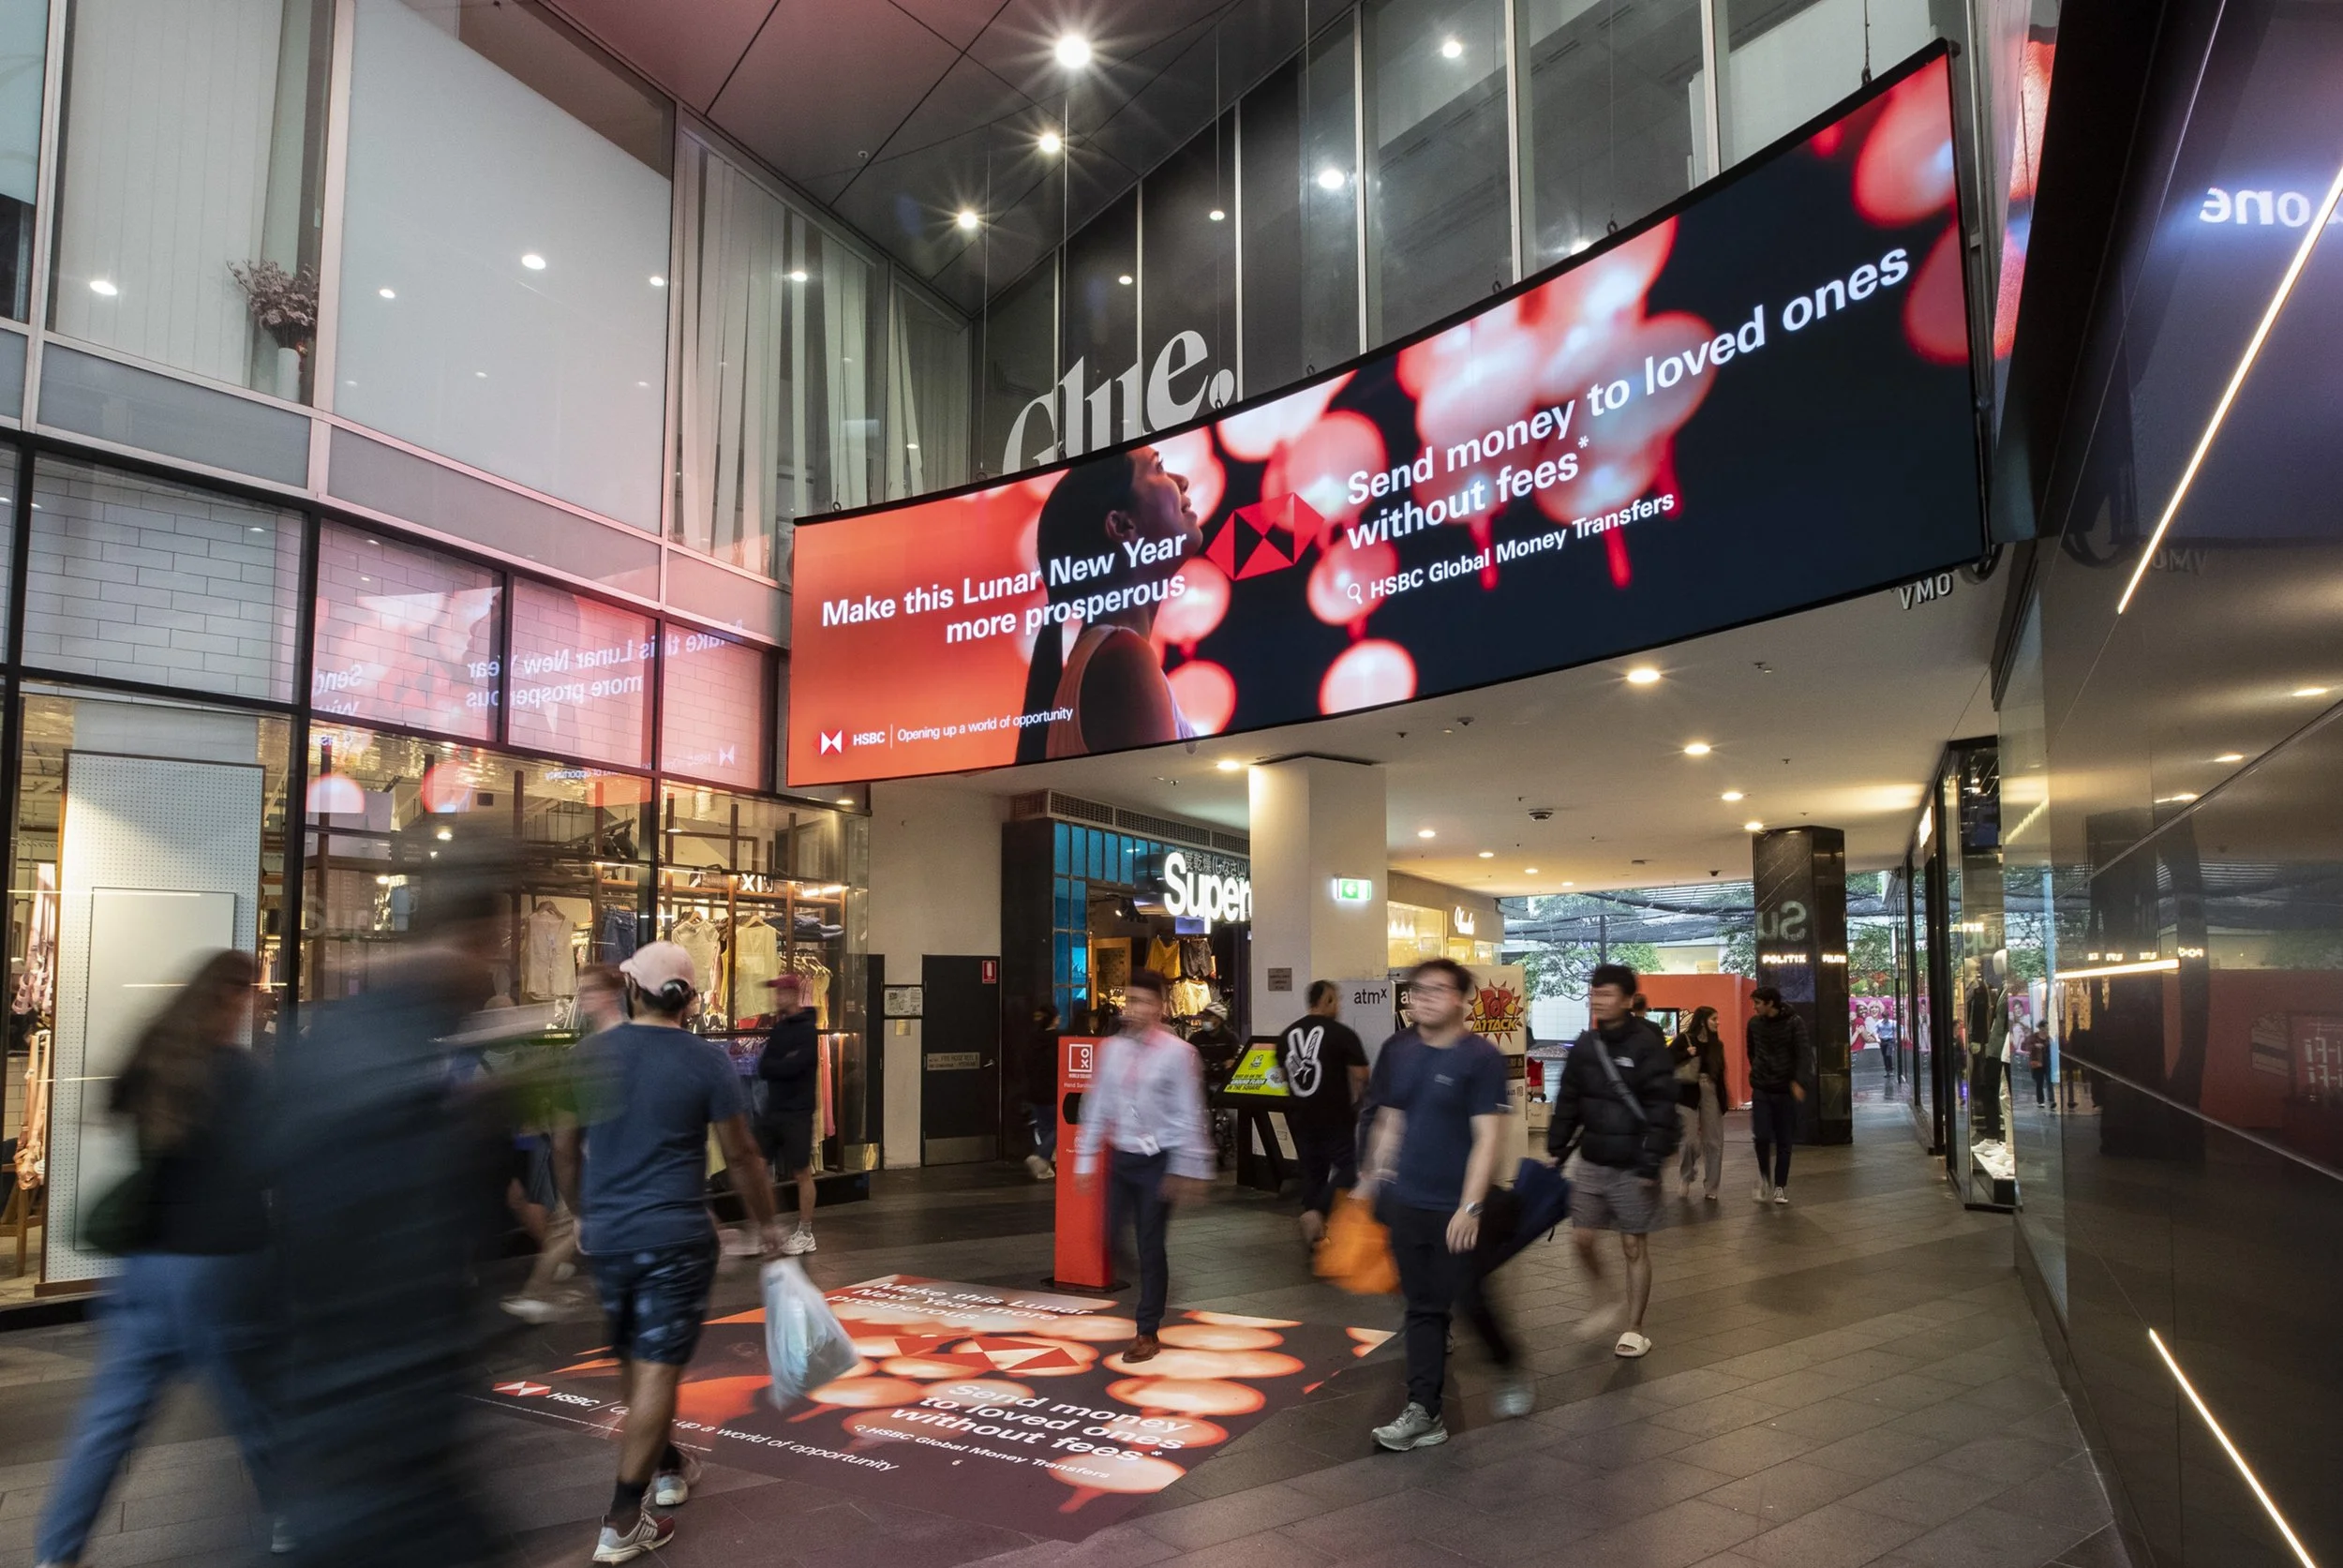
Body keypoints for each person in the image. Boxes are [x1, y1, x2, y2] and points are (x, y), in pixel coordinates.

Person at [34, 953, 282, 1568]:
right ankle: (293, 1520)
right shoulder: (237, 1073)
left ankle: (55, 1554)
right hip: (221, 1266)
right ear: (233, 996)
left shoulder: (157, 1054)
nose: (254, 1003)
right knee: (260, 1410)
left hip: (145, 1268)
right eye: (250, 993)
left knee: (108, 1421)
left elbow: (123, 1113)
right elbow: (270, 1160)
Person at [555, 942, 780, 1564]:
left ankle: (671, 1463)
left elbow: (564, 1150)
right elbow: (741, 1155)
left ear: (633, 990)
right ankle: (624, 1518)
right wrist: (767, 1225)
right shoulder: (707, 1061)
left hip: (610, 1237)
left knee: (636, 1360)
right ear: (688, 998)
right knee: (656, 1368)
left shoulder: (588, 1055)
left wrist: (582, 1212)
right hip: (676, 1236)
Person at [1361, 958, 1524, 1450]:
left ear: (1460, 999)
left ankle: (1508, 1363)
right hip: (1407, 1201)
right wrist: (1372, 1179)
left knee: (1469, 1298)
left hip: (1456, 1205)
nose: (1423, 998)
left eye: (1436, 990)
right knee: (1423, 1307)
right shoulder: (1398, 1048)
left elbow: (1487, 1138)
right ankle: (1424, 1411)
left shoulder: (1480, 1058)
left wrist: (1470, 1207)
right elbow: (1389, 1118)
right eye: (1417, 990)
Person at [1014, 446, 1204, 763]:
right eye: (1158, 468)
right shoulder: (1123, 657)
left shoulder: (1111, 654)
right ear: (1121, 526)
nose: (1182, 480)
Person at [1072, 970, 1212, 1365]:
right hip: (1122, 1157)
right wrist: (1085, 1158)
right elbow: (1098, 1105)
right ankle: (1152, 1282)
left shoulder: (1178, 1054)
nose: (1134, 1009)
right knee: (1108, 1237)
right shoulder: (1112, 1049)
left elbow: (1189, 1112)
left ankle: (1147, 1329)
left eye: (1143, 1002)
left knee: (1150, 1243)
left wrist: (1189, 1167)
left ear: (1160, 1007)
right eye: (1130, 1001)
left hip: (1158, 1160)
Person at [1547, 963, 1679, 1359]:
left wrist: (1652, 1161)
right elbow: (1569, 1099)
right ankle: (1605, 1298)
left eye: (1606, 994)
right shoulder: (1586, 1045)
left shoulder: (1647, 1045)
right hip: (1592, 1159)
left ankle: (1635, 1328)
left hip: (1634, 1162)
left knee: (1632, 1245)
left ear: (1626, 1000)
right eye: (1595, 993)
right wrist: (1556, 1145)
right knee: (1582, 1239)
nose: (1597, 1000)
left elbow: (1661, 1106)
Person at [502, 965, 627, 1323]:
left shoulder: (612, 1045)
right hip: (598, 1155)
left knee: (570, 1222)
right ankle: (540, 1291)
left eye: (590, 989)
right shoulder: (591, 1047)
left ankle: (539, 1292)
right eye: (581, 989)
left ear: (611, 994)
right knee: (569, 1222)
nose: (583, 996)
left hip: (608, 1156)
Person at [1275, 980, 1369, 1246]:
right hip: (1336, 1117)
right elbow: (1362, 1075)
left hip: (1301, 1117)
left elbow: (1284, 1075)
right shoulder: (1342, 1034)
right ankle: (1318, 1211)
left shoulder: (1287, 1035)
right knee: (1352, 1168)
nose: (1338, 1006)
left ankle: (1315, 1236)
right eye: (1336, 1000)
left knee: (1313, 1174)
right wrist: (1361, 1104)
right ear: (1327, 1000)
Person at [755, 972, 820, 1255]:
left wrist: (780, 1065)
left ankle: (805, 1232)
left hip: (798, 1112)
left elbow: (793, 1066)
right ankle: (767, 1228)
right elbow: (764, 1067)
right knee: (758, 1167)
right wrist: (782, 1064)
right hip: (775, 1109)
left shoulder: (807, 1031)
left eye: (781, 992)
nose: (776, 997)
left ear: (793, 995)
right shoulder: (779, 1029)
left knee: (801, 1171)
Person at [1746, 986, 1812, 1204]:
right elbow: (1751, 1051)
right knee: (1761, 1135)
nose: (1754, 1007)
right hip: (1762, 1088)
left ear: (1770, 1003)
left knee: (1784, 1140)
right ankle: (1764, 1177)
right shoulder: (1754, 1024)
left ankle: (1780, 1186)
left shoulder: (1794, 1023)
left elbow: (1803, 1054)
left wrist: (1798, 1081)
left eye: (1757, 1003)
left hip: (1785, 1090)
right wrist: (1759, 1070)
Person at [1670, 1005, 1727, 1201]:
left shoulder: (1717, 1045)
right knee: (1689, 1141)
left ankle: (1712, 1186)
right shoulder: (1684, 1039)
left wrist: (1723, 1100)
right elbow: (1666, 1059)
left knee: (1714, 1142)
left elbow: (1720, 1073)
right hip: (1687, 1093)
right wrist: (1686, 1053)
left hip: (1711, 1091)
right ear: (1703, 1021)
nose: (1717, 1022)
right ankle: (1686, 1176)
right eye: (1714, 1019)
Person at [1024, 1004, 1064, 1180]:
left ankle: (1045, 1167)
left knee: (1046, 1128)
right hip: (1053, 1091)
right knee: (1061, 1127)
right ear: (1053, 1019)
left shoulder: (1032, 1039)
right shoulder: (1058, 1040)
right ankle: (1040, 1156)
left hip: (1035, 1092)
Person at [2025, 1022, 2050, 1106]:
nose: (2047, 1029)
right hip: (2037, 1062)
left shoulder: (2049, 1038)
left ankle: (2051, 1099)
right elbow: (2027, 1047)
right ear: (2041, 1028)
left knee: (2049, 1081)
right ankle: (2041, 1101)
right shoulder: (2034, 1037)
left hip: (2048, 1062)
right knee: (2039, 1082)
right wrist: (2035, 1045)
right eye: (2046, 1027)